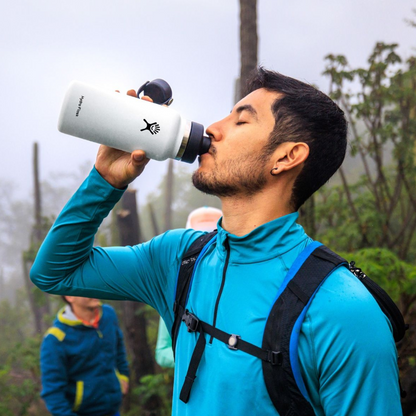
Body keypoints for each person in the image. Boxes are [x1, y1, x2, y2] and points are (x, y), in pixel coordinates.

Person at [31, 67, 402, 415]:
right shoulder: (179, 258)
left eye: (241, 119)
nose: (213, 129)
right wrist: (105, 179)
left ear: (286, 157)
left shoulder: (344, 312)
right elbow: (57, 274)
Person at [155, 206, 222, 368]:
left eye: (213, 238)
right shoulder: (177, 290)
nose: (207, 246)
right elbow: (162, 352)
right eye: (200, 240)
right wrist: (200, 359)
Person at [40, 296, 129, 416]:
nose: (93, 290)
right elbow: (53, 392)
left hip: (113, 411)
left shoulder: (108, 314)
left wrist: (123, 376)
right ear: (69, 296)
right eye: (85, 286)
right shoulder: (56, 338)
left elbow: (119, 349)